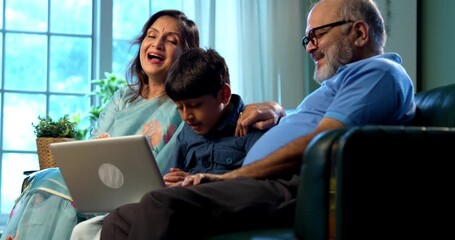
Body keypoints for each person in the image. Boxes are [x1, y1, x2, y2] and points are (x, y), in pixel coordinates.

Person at [99, 0, 416, 239]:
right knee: (120, 219)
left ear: (359, 32)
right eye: (307, 39)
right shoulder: (341, 84)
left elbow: (322, 140)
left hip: (287, 187)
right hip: (265, 182)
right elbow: (311, 124)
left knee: (159, 204)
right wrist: (280, 111)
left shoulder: (378, 73)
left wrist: (231, 177)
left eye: (317, 35)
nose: (310, 47)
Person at [3, 10, 284, 240]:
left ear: (188, 55)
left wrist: (276, 108)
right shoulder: (122, 97)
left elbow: (228, 109)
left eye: (170, 40)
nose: (157, 44)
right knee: (45, 182)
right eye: (151, 36)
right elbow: (91, 147)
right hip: (99, 188)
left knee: (56, 191)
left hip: (143, 197)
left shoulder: (184, 109)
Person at [162, 47, 266, 186]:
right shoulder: (187, 132)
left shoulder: (252, 126)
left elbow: (259, 181)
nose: (186, 116)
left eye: (195, 105)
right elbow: (168, 177)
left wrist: (198, 183)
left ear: (224, 94)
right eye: (180, 108)